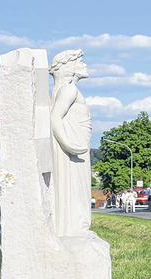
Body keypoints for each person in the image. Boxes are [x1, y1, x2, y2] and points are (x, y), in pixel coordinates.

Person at [49, 49, 93, 237]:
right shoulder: (69, 89)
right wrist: (68, 144)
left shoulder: (63, 89)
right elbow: (55, 118)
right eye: (80, 61)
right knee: (77, 187)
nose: (84, 65)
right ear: (69, 67)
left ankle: (74, 226)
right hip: (74, 150)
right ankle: (76, 228)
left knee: (76, 187)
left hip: (76, 148)